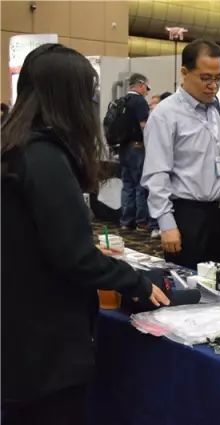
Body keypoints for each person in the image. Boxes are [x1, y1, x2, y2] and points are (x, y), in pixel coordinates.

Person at [1, 43, 169, 425]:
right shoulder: (44, 158)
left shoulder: (15, 148)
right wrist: (135, 281)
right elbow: (73, 257)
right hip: (46, 344)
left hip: (18, 331)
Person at [142, 39, 220, 269]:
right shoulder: (166, 114)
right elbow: (156, 173)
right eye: (205, 78)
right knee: (188, 283)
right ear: (184, 73)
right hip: (187, 215)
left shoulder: (217, 110)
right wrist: (166, 224)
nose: (212, 86)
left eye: (218, 79)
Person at [119, 73, 152, 232]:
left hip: (123, 147)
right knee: (140, 185)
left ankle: (126, 221)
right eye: (146, 87)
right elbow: (144, 126)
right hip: (138, 147)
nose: (147, 91)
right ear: (140, 85)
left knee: (127, 185)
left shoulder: (121, 101)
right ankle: (141, 221)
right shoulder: (139, 101)